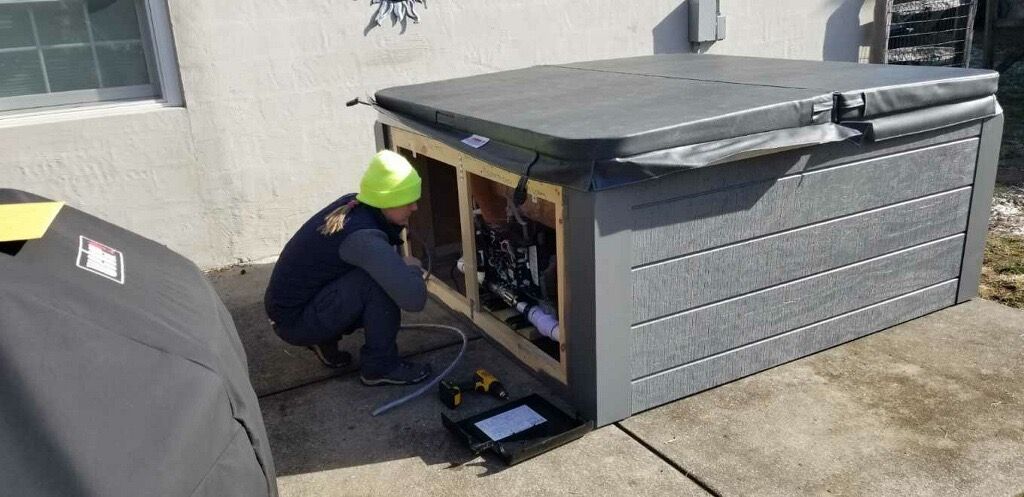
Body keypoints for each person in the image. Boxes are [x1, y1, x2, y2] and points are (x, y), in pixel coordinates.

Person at [264, 150, 432, 386]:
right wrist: (412, 268)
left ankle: (324, 339)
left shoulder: (355, 204)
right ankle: (380, 366)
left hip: (289, 309)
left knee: (375, 272)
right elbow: (414, 300)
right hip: (293, 322)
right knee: (376, 283)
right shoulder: (363, 239)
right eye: (407, 201)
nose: (414, 208)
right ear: (386, 201)